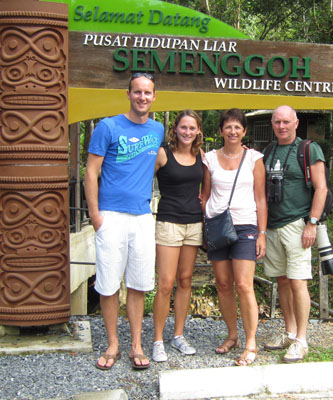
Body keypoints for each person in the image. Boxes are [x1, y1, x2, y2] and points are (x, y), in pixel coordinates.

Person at [84, 72, 164, 371]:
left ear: (154, 97)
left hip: (142, 216)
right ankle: (113, 343)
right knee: (108, 284)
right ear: (128, 94)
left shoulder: (158, 129)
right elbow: (91, 171)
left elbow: (160, 161)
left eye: (148, 93)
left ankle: (136, 344)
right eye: (137, 92)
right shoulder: (108, 127)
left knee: (139, 284)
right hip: (111, 216)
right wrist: (95, 215)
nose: (143, 97)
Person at [201, 108, 267, 366]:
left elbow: (261, 198)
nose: (232, 131)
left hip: (245, 226)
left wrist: (262, 232)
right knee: (223, 283)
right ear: (221, 131)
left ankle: (251, 342)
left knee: (243, 284)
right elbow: (204, 196)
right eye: (228, 127)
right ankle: (232, 335)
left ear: (244, 131)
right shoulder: (209, 159)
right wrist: (204, 227)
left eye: (237, 127)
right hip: (218, 226)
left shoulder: (254, 158)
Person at [262, 105, 328, 363]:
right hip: (273, 225)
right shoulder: (268, 150)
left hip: (297, 225)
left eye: (286, 122)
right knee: (282, 280)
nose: (282, 126)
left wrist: (312, 223)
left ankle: (301, 339)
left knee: (299, 281)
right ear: (272, 123)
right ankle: (289, 333)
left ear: (296, 123)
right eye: (277, 122)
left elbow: (321, 188)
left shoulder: (309, 149)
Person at [151, 110, 204, 362]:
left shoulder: (200, 155)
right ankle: (158, 340)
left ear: (198, 131)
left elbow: (208, 186)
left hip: (193, 223)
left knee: (185, 280)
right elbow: (141, 179)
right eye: (183, 127)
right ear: (175, 129)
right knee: (165, 282)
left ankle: (178, 335)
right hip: (169, 222)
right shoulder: (163, 154)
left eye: (192, 128)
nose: (187, 132)